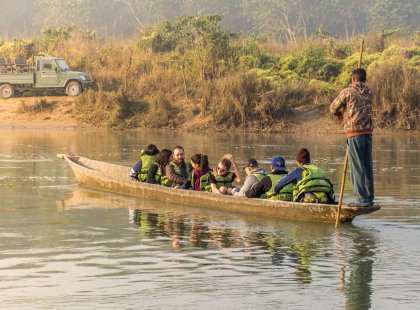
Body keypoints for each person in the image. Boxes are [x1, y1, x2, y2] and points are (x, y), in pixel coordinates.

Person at [330, 68, 374, 207]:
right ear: (365, 79)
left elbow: (333, 107)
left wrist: (339, 115)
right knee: (367, 166)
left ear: (353, 79)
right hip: (367, 133)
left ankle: (361, 199)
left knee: (357, 167)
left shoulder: (348, 91)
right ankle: (369, 198)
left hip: (354, 134)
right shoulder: (370, 93)